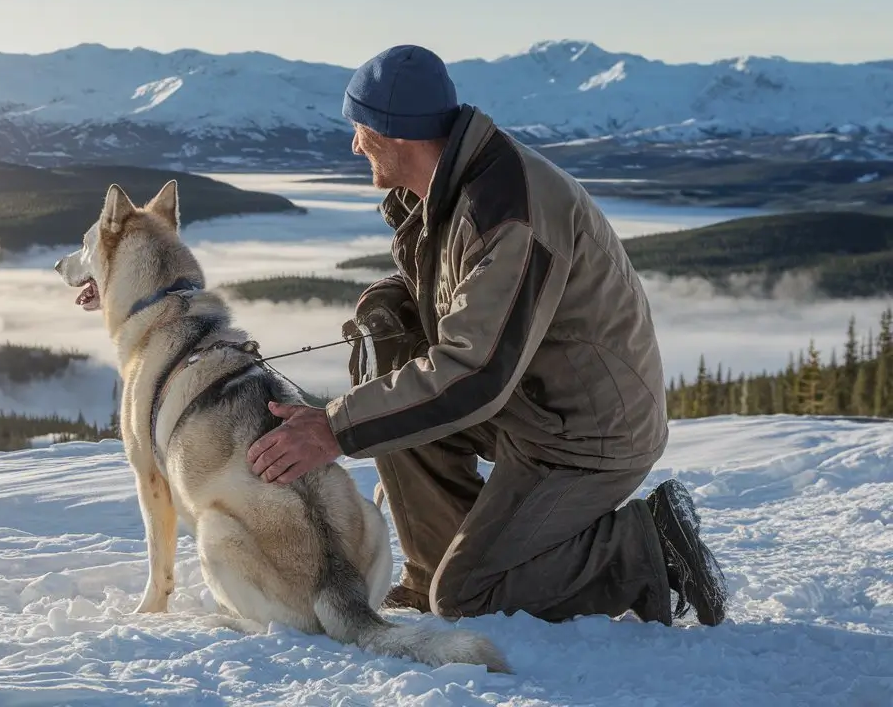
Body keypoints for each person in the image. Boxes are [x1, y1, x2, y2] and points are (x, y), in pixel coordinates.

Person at [246, 44, 728, 628]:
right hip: (531, 399)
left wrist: (333, 427)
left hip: (585, 433)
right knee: (387, 359)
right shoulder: (445, 187)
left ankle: (647, 553)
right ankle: (432, 571)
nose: (354, 146)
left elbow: (476, 372)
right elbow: (466, 300)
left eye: (361, 131)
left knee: (471, 595)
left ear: (395, 133)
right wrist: (394, 301)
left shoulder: (506, 209)